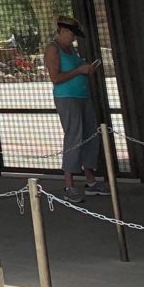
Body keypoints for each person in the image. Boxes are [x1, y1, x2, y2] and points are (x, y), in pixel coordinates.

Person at [44, 17, 108, 202]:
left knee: (90, 135)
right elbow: (55, 78)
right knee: (74, 136)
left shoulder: (70, 49)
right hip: (67, 98)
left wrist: (85, 68)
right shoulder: (52, 48)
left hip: (82, 96)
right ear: (62, 31)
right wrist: (79, 71)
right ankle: (69, 184)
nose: (73, 39)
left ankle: (90, 181)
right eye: (71, 34)